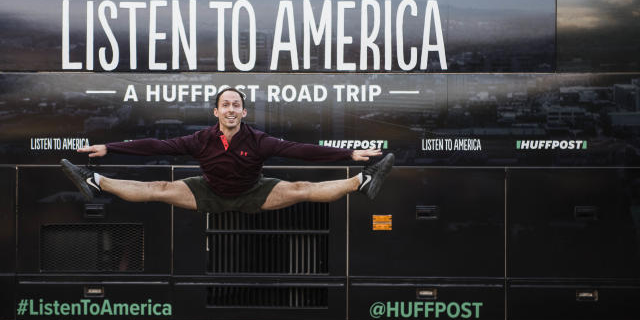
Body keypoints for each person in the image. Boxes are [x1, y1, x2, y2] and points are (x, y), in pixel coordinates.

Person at [60, 86, 395, 213]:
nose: (231, 109)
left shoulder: (259, 139)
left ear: (243, 113)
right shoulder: (201, 139)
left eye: (237, 105)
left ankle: (361, 182)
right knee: (159, 189)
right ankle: (94, 182)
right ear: (216, 112)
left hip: (254, 193)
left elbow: (300, 150)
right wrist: (109, 147)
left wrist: (349, 155)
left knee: (301, 188)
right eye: (225, 105)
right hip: (207, 191)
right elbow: (155, 145)